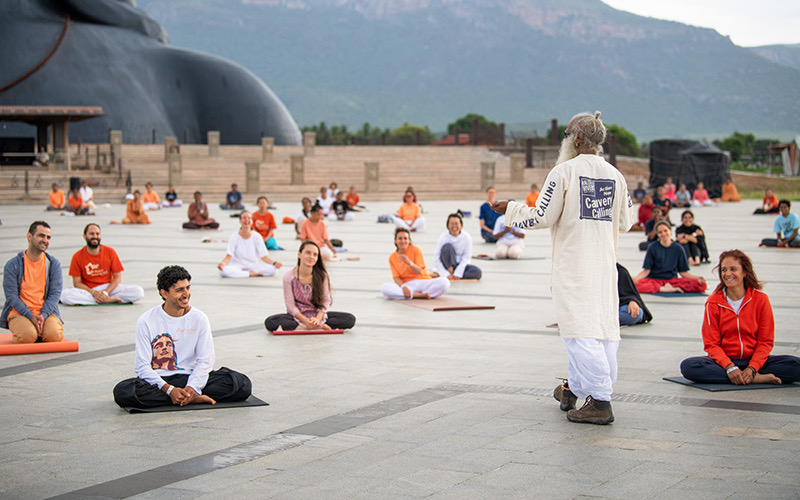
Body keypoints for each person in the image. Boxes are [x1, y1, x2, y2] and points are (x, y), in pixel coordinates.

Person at [492, 111, 634, 425]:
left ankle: (600, 400)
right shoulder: (616, 175)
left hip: (574, 267)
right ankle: (575, 388)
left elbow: (541, 217)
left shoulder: (564, 172)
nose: (565, 141)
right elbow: (627, 221)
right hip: (603, 266)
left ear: (578, 138)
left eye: (567, 135)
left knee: (578, 331)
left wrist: (511, 208)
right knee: (603, 330)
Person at [112, 265, 253, 409]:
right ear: (164, 293)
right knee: (123, 391)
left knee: (242, 384)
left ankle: (185, 396)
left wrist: (192, 388)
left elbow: (205, 361)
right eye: (179, 290)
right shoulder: (146, 320)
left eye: (188, 288)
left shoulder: (199, 318)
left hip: (190, 376)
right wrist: (169, 389)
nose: (186, 294)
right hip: (160, 381)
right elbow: (142, 366)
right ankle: (187, 398)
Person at [680, 250, 800, 385]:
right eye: (724, 270)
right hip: (724, 362)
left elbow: (765, 342)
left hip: (756, 361)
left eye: (733, 269)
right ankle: (754, 379)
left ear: (744, 272)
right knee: (689, 366)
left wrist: (753, 367)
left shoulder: (761, 300)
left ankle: (746, 376)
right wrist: (729, 367)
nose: (728, 274)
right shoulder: (713, 302)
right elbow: (711, 344)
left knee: (796, 365)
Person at [264, 241, 355, 331]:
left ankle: (310, 326)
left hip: (318, 315)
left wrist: (318, 319)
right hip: (297, 317)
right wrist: (305, 321)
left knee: (349, 319)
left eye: (315, 255)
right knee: (270, 322)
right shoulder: (289, 276)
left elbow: (326, 300)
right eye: (308, 253)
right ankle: (308, 327)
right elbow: (290, 305)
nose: (311, 257)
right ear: (299, 255)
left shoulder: (322, 276)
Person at [1, 221, 64, 344]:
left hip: (46, 312)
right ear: (29, 236)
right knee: (27, 337)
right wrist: (30, 316)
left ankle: (39, 329)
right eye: (41, 236)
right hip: (20, 312)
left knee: (54, 336)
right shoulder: (13, 264)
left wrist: (43, 315)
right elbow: (11, 297)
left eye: (48, 237)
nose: (45, 240)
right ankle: (32, 330)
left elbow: (55, 294)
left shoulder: (53, 264)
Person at [60, 223, 145, 305]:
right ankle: (106, 300)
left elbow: (117, 277)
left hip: (109, 288)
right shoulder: (77, 256)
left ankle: (100, 299)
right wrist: (93, 292)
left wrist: (105, 292)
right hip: (89, 290)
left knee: (138, 291)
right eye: (91, 234)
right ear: (84, 236)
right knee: (65, 296)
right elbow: (77, 283)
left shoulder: (110, 252)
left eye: (97, 234)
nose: (95, 236)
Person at [633, 221, 708, 294]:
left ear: (670, 231)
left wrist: (697, 278)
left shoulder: (678, 248)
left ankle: (665, 287)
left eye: (665, 231)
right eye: (660, 232)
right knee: (635, 285)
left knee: (701, 285)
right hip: (654, 280)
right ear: (657, 234)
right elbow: (646, 270)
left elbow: (683, 272)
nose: (663, 234)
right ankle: (662, 289)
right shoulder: (652, 247)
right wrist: (636, 279)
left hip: (672, 281)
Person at [381, 228, 450, 300]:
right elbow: (396, 278)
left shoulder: (416, 249)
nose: (403, 241)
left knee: (445, 282)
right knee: (384, 288)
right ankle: (418, 295)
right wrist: (403, 287)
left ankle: (410, 295)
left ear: (409, 240)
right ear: (395, 241)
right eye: (400, 238)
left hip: (423, 281)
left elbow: (419, 271)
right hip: (408, 285)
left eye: (405, 238)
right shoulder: (392, 257)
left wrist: (409, 263)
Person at [218, 212, 282, 278]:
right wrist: (222, 264)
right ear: (240, 221)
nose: (246, 220)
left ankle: (244, 273)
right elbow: (228, 256)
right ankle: (249, 274)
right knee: (222, 271)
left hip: (252, 265)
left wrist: (274, 263)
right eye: (244, 218)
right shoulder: (234, 236)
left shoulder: (257, 236)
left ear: (252, 221)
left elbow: (264, 257)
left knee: (273, 269)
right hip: (237, 265)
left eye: (249, 218)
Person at [434, 212, 482, 280]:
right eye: (451, 224)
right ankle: (448, 273)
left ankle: (454, 275)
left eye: (456, 224)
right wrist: (445, 274)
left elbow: (466, 258)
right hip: (447, 265)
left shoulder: (466, 237)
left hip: (460, 265)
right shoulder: (443, 237)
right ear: (448, 225)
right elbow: (436, 257)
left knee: (477, 272)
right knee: (448, 247)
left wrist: (458, 273)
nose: (454, 226)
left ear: (461, 225)